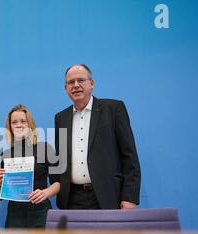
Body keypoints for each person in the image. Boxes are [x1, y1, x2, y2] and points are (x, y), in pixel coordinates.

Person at [54, 64, 141, 210]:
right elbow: (60, 159)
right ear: (65, 88)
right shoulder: (60, 118)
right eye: (71, 82)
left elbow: (129, 156)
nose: (76, 85)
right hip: (72, 199)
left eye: (81, 80)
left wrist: (129, 197)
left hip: (108, 196)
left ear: (92, 83)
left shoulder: (113, 109)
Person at [0, 105, 60, 228]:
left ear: (30, 125)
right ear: (10, 127)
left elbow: (58, 183)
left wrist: (46, 193)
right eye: (14, 122)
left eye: (23, 121)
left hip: (40, 211)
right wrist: (1, 183)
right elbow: (0, 195)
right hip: (14, 214)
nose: (19, 125)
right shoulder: (5, 154)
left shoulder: (45, 148)